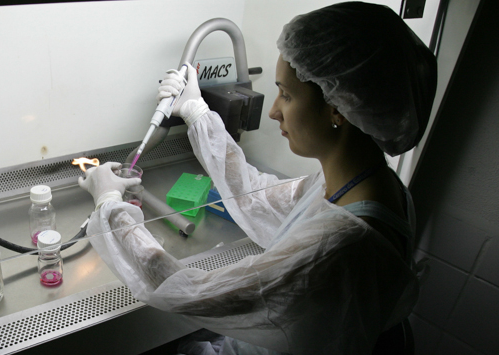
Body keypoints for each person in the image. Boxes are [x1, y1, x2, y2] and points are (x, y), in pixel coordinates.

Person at [77, 2, 437, 354]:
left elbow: (193, 291)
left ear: (338, 108)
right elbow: (256, 194)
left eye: (287, 94)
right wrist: (196, 111)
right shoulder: (367, 183)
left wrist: (110, 207)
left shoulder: (343, 247)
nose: (275, 111)